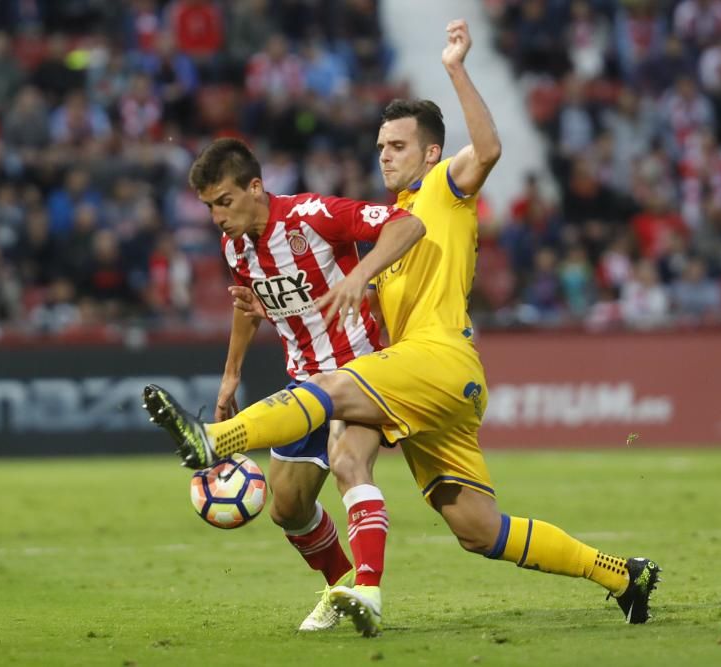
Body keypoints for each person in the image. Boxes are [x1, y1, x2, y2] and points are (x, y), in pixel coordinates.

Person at [144, 20, 661, 636]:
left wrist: (455, 69)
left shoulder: (443, 188)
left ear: (430, 153)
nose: (384, 155)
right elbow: (345, 262)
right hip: (427, 381)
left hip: (434, 357)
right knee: (476, 527)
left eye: (397, 146)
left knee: (332, 395)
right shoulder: (389, 219)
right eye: (381, 146)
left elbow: (489, 149)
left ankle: (216, 443)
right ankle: (622, 574)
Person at [187, 137, 425, 631]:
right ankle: (342, 590)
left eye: (224, 202)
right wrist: (230, 376)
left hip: (361, 371)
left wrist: (360, 274)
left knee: (348, 463)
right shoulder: (235, 245)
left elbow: (408, 224)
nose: (217, 217)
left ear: (255, 187)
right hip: (302, 383)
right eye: (209, 207)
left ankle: (369, 591)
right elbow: (247, 305)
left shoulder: (313, 214)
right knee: (288, 508)